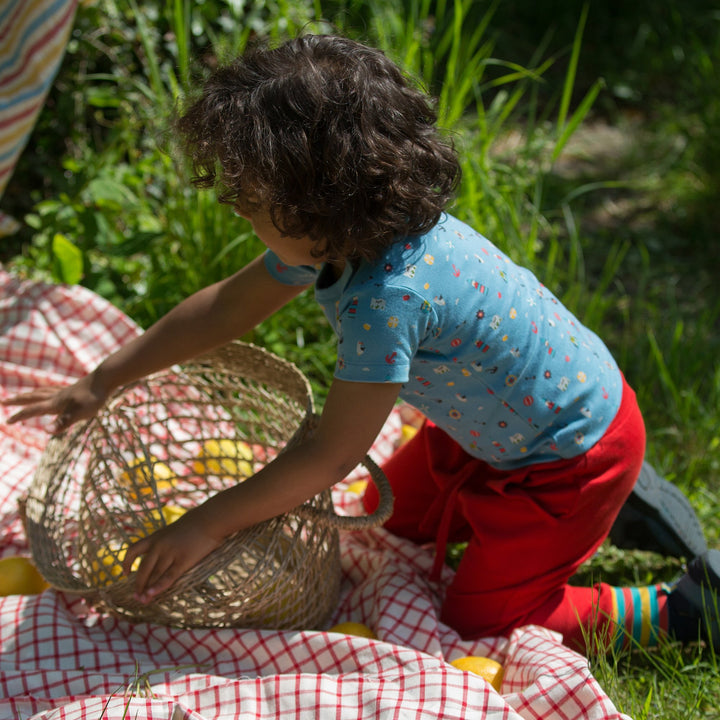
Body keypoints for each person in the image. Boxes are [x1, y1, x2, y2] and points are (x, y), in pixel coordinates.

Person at [3, 34, 718, 654]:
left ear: (315, 204)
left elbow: (330, 454)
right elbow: (227, 307)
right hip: (484, 425)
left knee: (481, 623)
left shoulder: (390, 298)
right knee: (395, 526)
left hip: (567, 455)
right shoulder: (338, 234)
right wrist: (104, 378)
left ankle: (677, 609)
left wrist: (207, 524)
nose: (241, 213)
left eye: (250, 202)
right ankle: (597, 517)